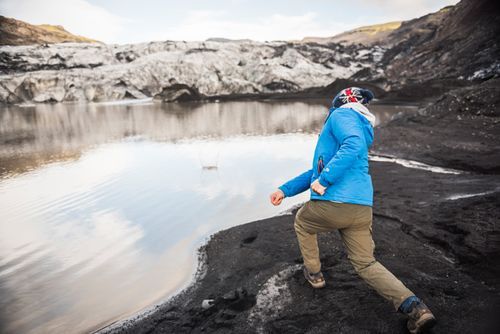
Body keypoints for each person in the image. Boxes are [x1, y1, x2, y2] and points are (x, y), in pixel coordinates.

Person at [269, 87, 436, 334]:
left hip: (334, 203)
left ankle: (314, 274)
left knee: (303, 222)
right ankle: (415, 307)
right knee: (366, 263)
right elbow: (316, 171)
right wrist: (285, 189)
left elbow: (351, 146)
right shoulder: (360, 123)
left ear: (341, 101)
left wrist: (325, 181)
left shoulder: (341, 116)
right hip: (360, 208)